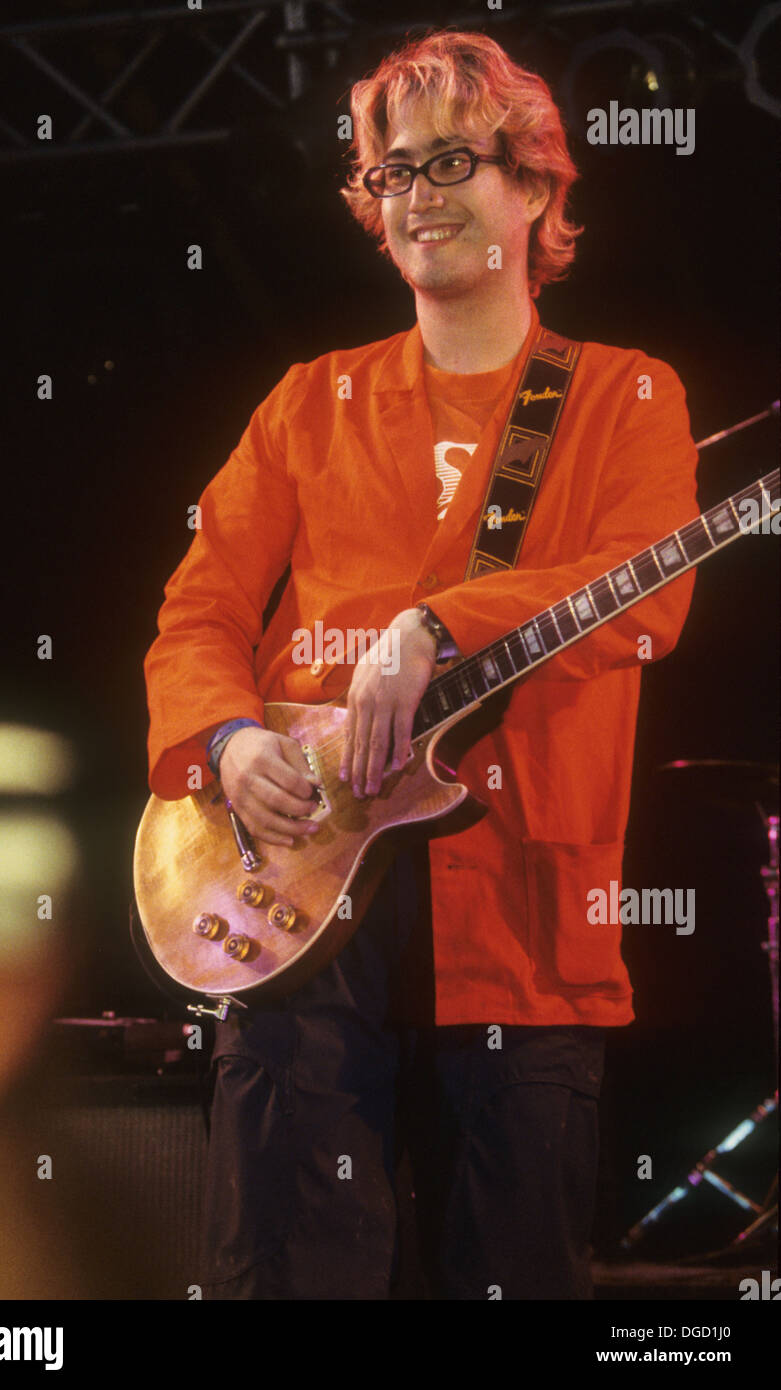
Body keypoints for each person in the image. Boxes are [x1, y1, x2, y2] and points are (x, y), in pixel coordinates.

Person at [142, 29, 698, 1299]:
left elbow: (651, 595)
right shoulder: (307, 401)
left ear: (538, 187)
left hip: (522, 921)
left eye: (453, 159)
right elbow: (198, 613)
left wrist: (449, 621)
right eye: (391, 171)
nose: (416, 193)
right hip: (294, 914)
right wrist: (228, 740)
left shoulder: (624, 398)